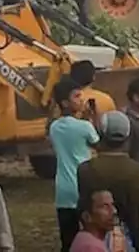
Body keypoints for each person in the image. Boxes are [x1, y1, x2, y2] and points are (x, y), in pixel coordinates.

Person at [76, 110, 139, 252]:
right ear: (128, 136)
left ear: (100, 134)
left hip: (96, 238)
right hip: (133, 236)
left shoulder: (85, 170)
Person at [48, 76, 99, 250]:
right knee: (90, 237)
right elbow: (98, 143)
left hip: (63, 189)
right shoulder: (85, 127)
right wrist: (93, 119)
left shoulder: (54, 127)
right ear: (64, 103)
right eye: (76, 96)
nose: (81, 100)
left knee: (68, 240)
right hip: (83, 186)